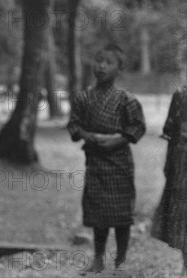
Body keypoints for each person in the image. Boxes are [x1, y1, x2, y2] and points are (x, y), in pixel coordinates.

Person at [67, 43, 146, 273]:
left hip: (119, 163)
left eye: (108, 62)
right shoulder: (83, 98)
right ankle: (98, 259)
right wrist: (85, 135)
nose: (102, 66)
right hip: (96, 163)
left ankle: (120, 262)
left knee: (121, 215)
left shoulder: (126, 100)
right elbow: (73, 124)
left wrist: (116, 141)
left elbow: (137, 127)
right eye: (99, 60)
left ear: (119, 69)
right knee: (98, 213)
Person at [152, 85, 187, 276]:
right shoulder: (181, 95)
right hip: (182, 162)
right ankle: (185, 265)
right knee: (182, 213)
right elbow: (171, 132)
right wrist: (170, 165)